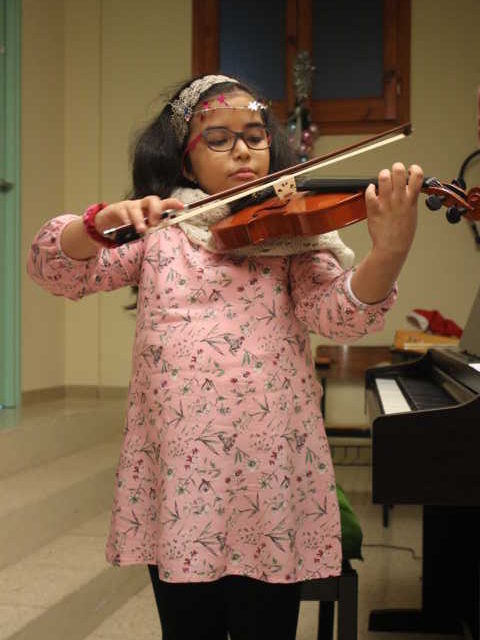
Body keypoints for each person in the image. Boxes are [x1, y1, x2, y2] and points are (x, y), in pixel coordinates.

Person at [27, 73, 423, 640]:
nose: (242, 148)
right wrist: (97, 224)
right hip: (183, 475)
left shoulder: (293, 237)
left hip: (271, 475)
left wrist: (391, 251)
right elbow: (53, 269)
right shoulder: (162, 231)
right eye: (218, 137)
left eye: (255, 135)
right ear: (186, 163)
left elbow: (340, 314)